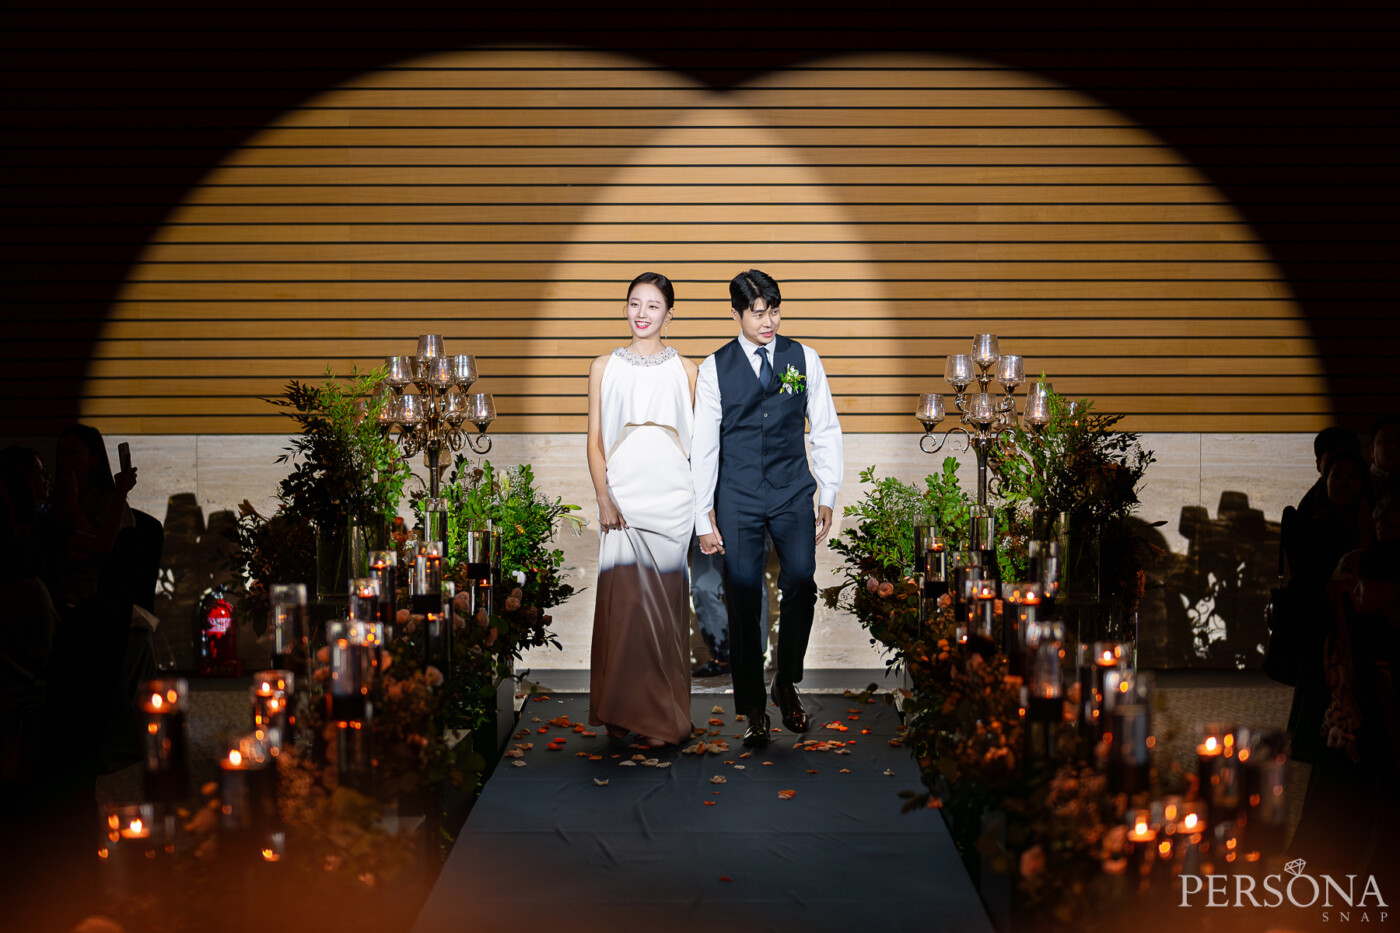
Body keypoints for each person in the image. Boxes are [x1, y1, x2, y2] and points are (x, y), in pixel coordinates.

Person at [693, 269, 843, 747]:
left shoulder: (806, 358)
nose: (768, 322)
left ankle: (786, 681)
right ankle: (754, 706)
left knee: (801, 579)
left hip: (791, 489)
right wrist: (703, 514)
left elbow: (825, 428)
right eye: (758, 313)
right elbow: (704, 447)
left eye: (774, 311)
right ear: (736, 313)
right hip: (737, 494)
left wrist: (828, 493)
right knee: (741, 593)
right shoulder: (713, 369)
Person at [586, 272, 699, 747]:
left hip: (672, 501)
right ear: (625, 308)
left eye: (653, 305)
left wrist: (705, 512)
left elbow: (701, 450)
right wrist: (603, 498)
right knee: (625, 608)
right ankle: (620, 709)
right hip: (624, 500)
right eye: (635, 303)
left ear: (669, 314)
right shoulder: (603, 366)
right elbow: (594, 441)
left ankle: (659, 717)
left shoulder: (689, 370)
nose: (642, 313)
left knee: (662, 614)